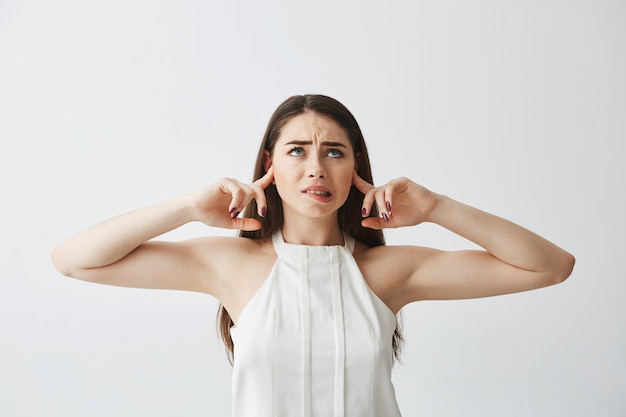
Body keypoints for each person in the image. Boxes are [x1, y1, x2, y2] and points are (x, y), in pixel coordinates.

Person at [51, 94, 575, 417]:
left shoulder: (388, 272)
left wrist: (437, 207)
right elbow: (75, 259)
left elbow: (550, 266)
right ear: (270, 167)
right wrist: (189, 205)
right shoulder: (232, 267)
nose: (316, 168)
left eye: (334, 152)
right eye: (297, 150)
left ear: (356, 169)